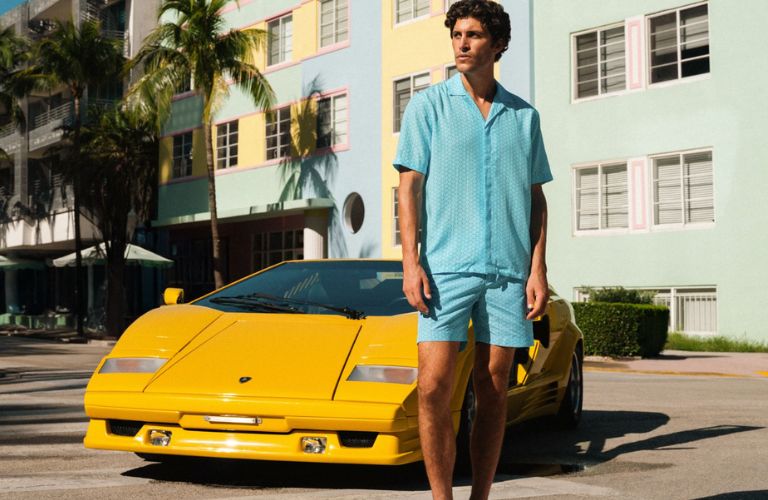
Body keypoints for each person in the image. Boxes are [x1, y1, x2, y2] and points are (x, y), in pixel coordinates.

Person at [393, 1, 553, 498]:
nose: (462, 43)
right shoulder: (427, 106)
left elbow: (535, 198)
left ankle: (480, 495)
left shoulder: (523, 117)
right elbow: (409, 187)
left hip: (507, 272)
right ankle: (443, 497)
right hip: (444, 270)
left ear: (498, 44)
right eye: (457, 34)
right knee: (433, 386)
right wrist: (411, 262)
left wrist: (538, 269)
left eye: (474, 35)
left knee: (493, 389)